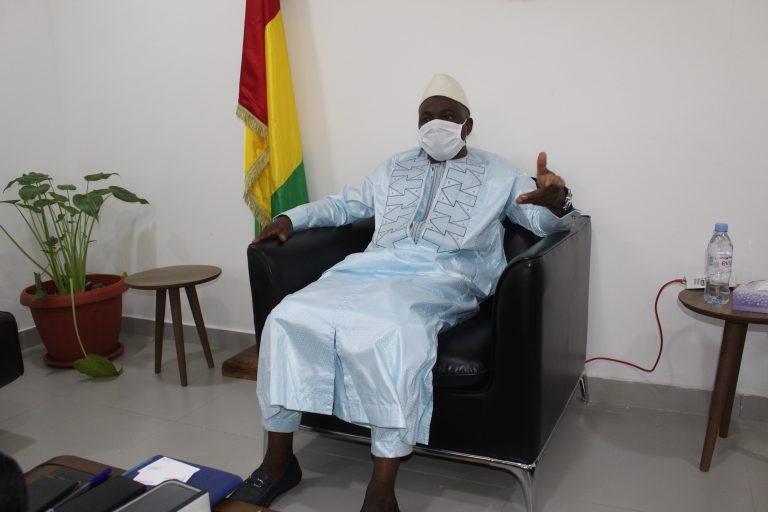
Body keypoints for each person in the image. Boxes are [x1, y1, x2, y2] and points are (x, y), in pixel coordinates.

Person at [231, 74, 579, 512]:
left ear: (468, 124)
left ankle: (381, 489)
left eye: (448, 115)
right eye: (427, 117)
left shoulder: (499, 173)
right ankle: (279, 461)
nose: (436, 124)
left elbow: (541, 222)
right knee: (286, 317)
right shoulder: (394, 167)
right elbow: (344, 204)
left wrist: (558, 201)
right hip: (372, 268)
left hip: (444, 275)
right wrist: (291, 219)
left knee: (393, 332)